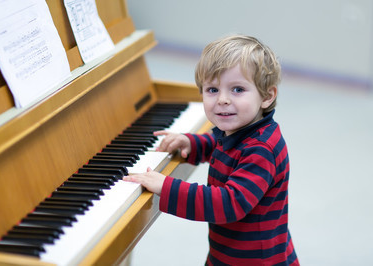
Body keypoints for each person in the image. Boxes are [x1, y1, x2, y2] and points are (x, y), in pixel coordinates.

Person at [123, 34, 299, 265]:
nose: (223, 99)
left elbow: (229, 203)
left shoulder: (262, 149)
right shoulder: (240, 131)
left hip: (255, 260)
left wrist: (168, 187)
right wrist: (192, 143)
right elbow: (220, 145)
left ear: (267, 96)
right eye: (212, 90)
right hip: (229, 252)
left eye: (237, 89)